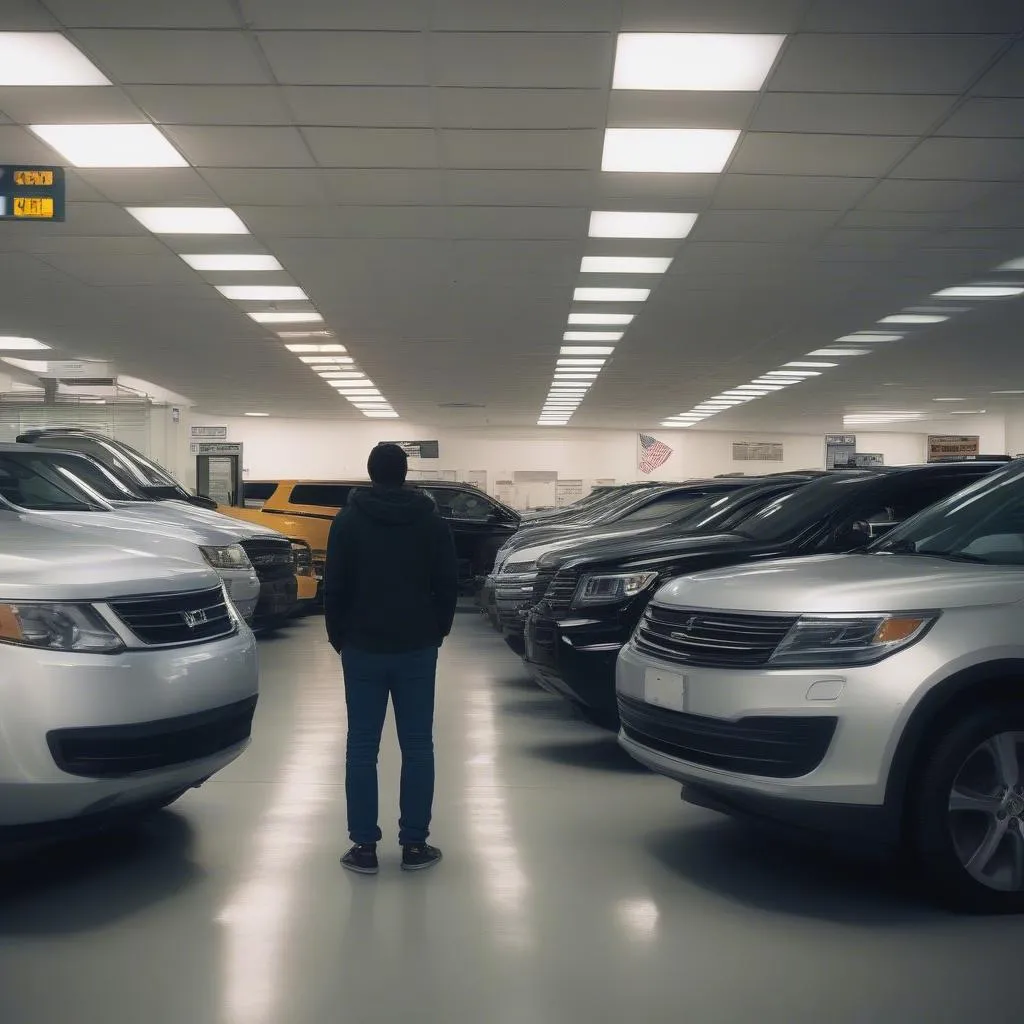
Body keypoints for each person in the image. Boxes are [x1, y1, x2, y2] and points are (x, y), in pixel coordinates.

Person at [324, 443, 459, 874]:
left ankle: (364, 848)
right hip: (417, 647)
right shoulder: (432, 523)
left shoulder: (347, 522)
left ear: (371, 473)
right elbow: (448, 583)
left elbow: (335, 585)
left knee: (362, 747)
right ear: (404, 473)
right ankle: (415, 846)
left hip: (362, 648)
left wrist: (338, 636)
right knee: (418, 746)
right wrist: (437, 629)